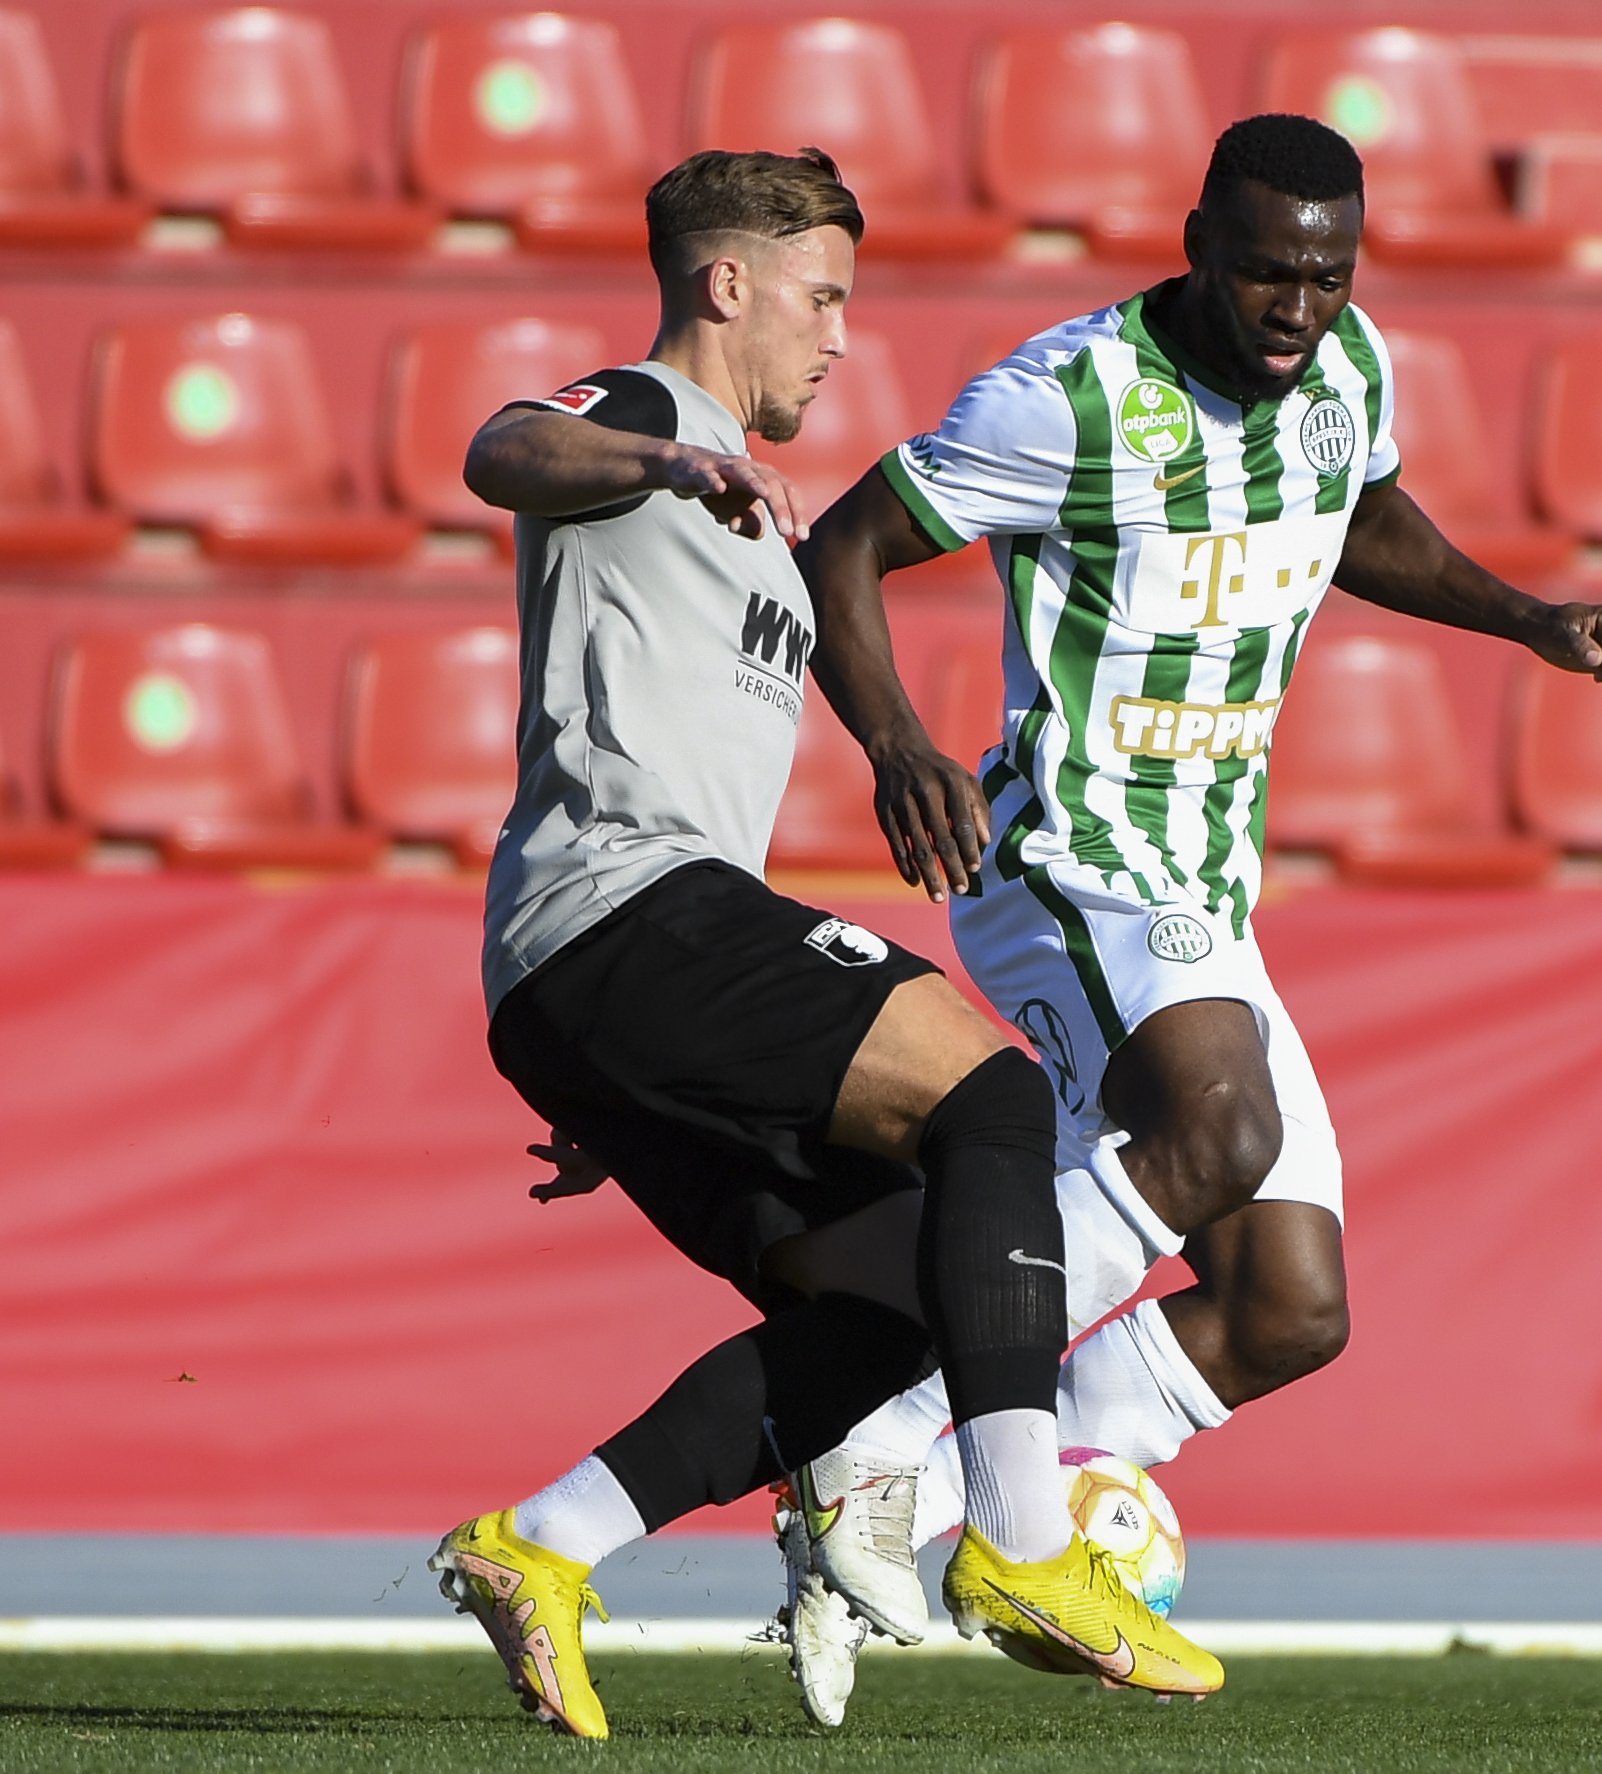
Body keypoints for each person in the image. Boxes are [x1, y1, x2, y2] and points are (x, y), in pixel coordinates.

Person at [775, 112, 1602, 1724]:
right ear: (1196, 245)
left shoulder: (1345, 371)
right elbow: (844, 543)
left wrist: (1528, 616)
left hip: (1206, 881)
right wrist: (897, 747)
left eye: (1326, 277)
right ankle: (881, 1451)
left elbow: (1359, 519)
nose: (1296, 309)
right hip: (1069, 853)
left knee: (1288, 1305)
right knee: (1219, 1125)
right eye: (1264, 274)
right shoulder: (1069, 397)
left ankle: (932, 1492)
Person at [426, 145, 1224, 1741]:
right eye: (821, 297)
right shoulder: (643, 418)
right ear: (727, 283)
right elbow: (500, 446)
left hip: (611, 976)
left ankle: (542, 1543)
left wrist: (619, 1064)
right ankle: (1021, 1543)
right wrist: (659, 462)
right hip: (627, 907)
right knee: (992, 1099)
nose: (839, 336)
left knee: (913, 1298)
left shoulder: (738, 490)